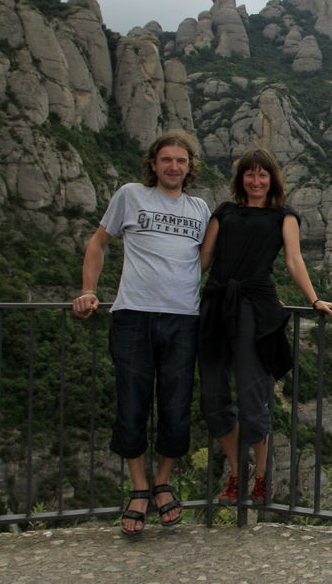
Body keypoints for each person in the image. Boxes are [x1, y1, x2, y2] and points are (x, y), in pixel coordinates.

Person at [72, 129, 211, 536]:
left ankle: (162, 481)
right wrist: (87, 290)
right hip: (132, 315)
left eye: (181, 161)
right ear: (153, 163)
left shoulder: (200, 208)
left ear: (189, 168)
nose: (173, 166)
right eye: (166, 159)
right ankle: (138, 488)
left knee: (176, 407)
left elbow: (206, 261)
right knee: (131, 406)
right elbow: (98, 243)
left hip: (183, 319)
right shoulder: (130, 195)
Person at [198, 148, 332, 506]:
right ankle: (237, 471)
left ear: (272, 179)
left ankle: (262, 474)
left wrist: (313, 299)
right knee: (213, 399)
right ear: (240, 179)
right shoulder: (224, 211)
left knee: (252, 399)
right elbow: (201, 260)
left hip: (254, 310)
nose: (256, 181)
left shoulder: (284, 216)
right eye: (250, 174)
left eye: (263, 175)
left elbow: (294, 260)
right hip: (216, 306)